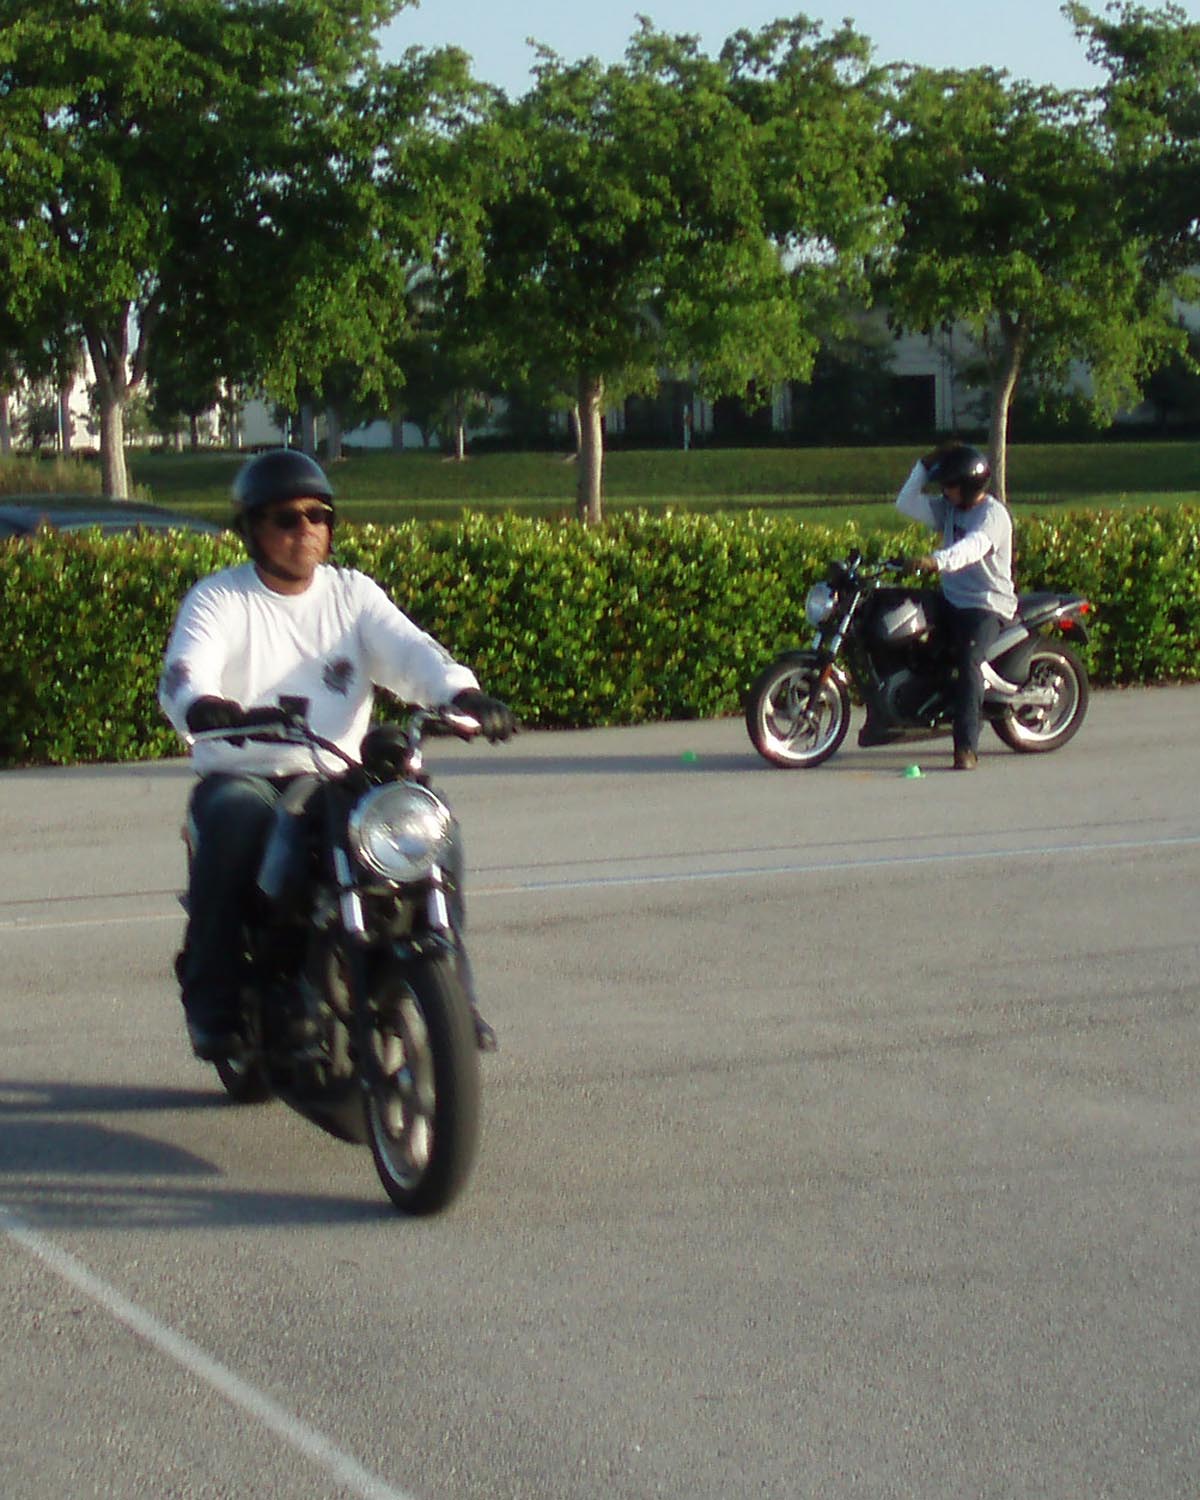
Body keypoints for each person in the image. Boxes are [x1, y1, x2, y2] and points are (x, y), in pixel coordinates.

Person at [158, 448, 515, 1060]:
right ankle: (213, 999)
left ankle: (454, 993)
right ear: (252, 528)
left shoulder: (352, 594)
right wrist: (203, 705)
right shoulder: (221, 599)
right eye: (285, 518)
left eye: (317, 515)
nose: (304, 530)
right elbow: (185, 671)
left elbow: (412, 652)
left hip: (341, 775)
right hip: (250, 772)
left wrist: (461, 693)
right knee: (236, 823)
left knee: (432, 827)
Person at [895, 442, 1017, 771]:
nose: (944, 491)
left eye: (950, 485)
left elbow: (972, 548)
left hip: (986, 605)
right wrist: (924, 465)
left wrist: (935, 561)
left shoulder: (993, 516)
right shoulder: (949, 508)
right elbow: (905, 503)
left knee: (968, 662)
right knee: (910, 633)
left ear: (968, 486)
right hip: (951, 598)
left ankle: (966, 747)